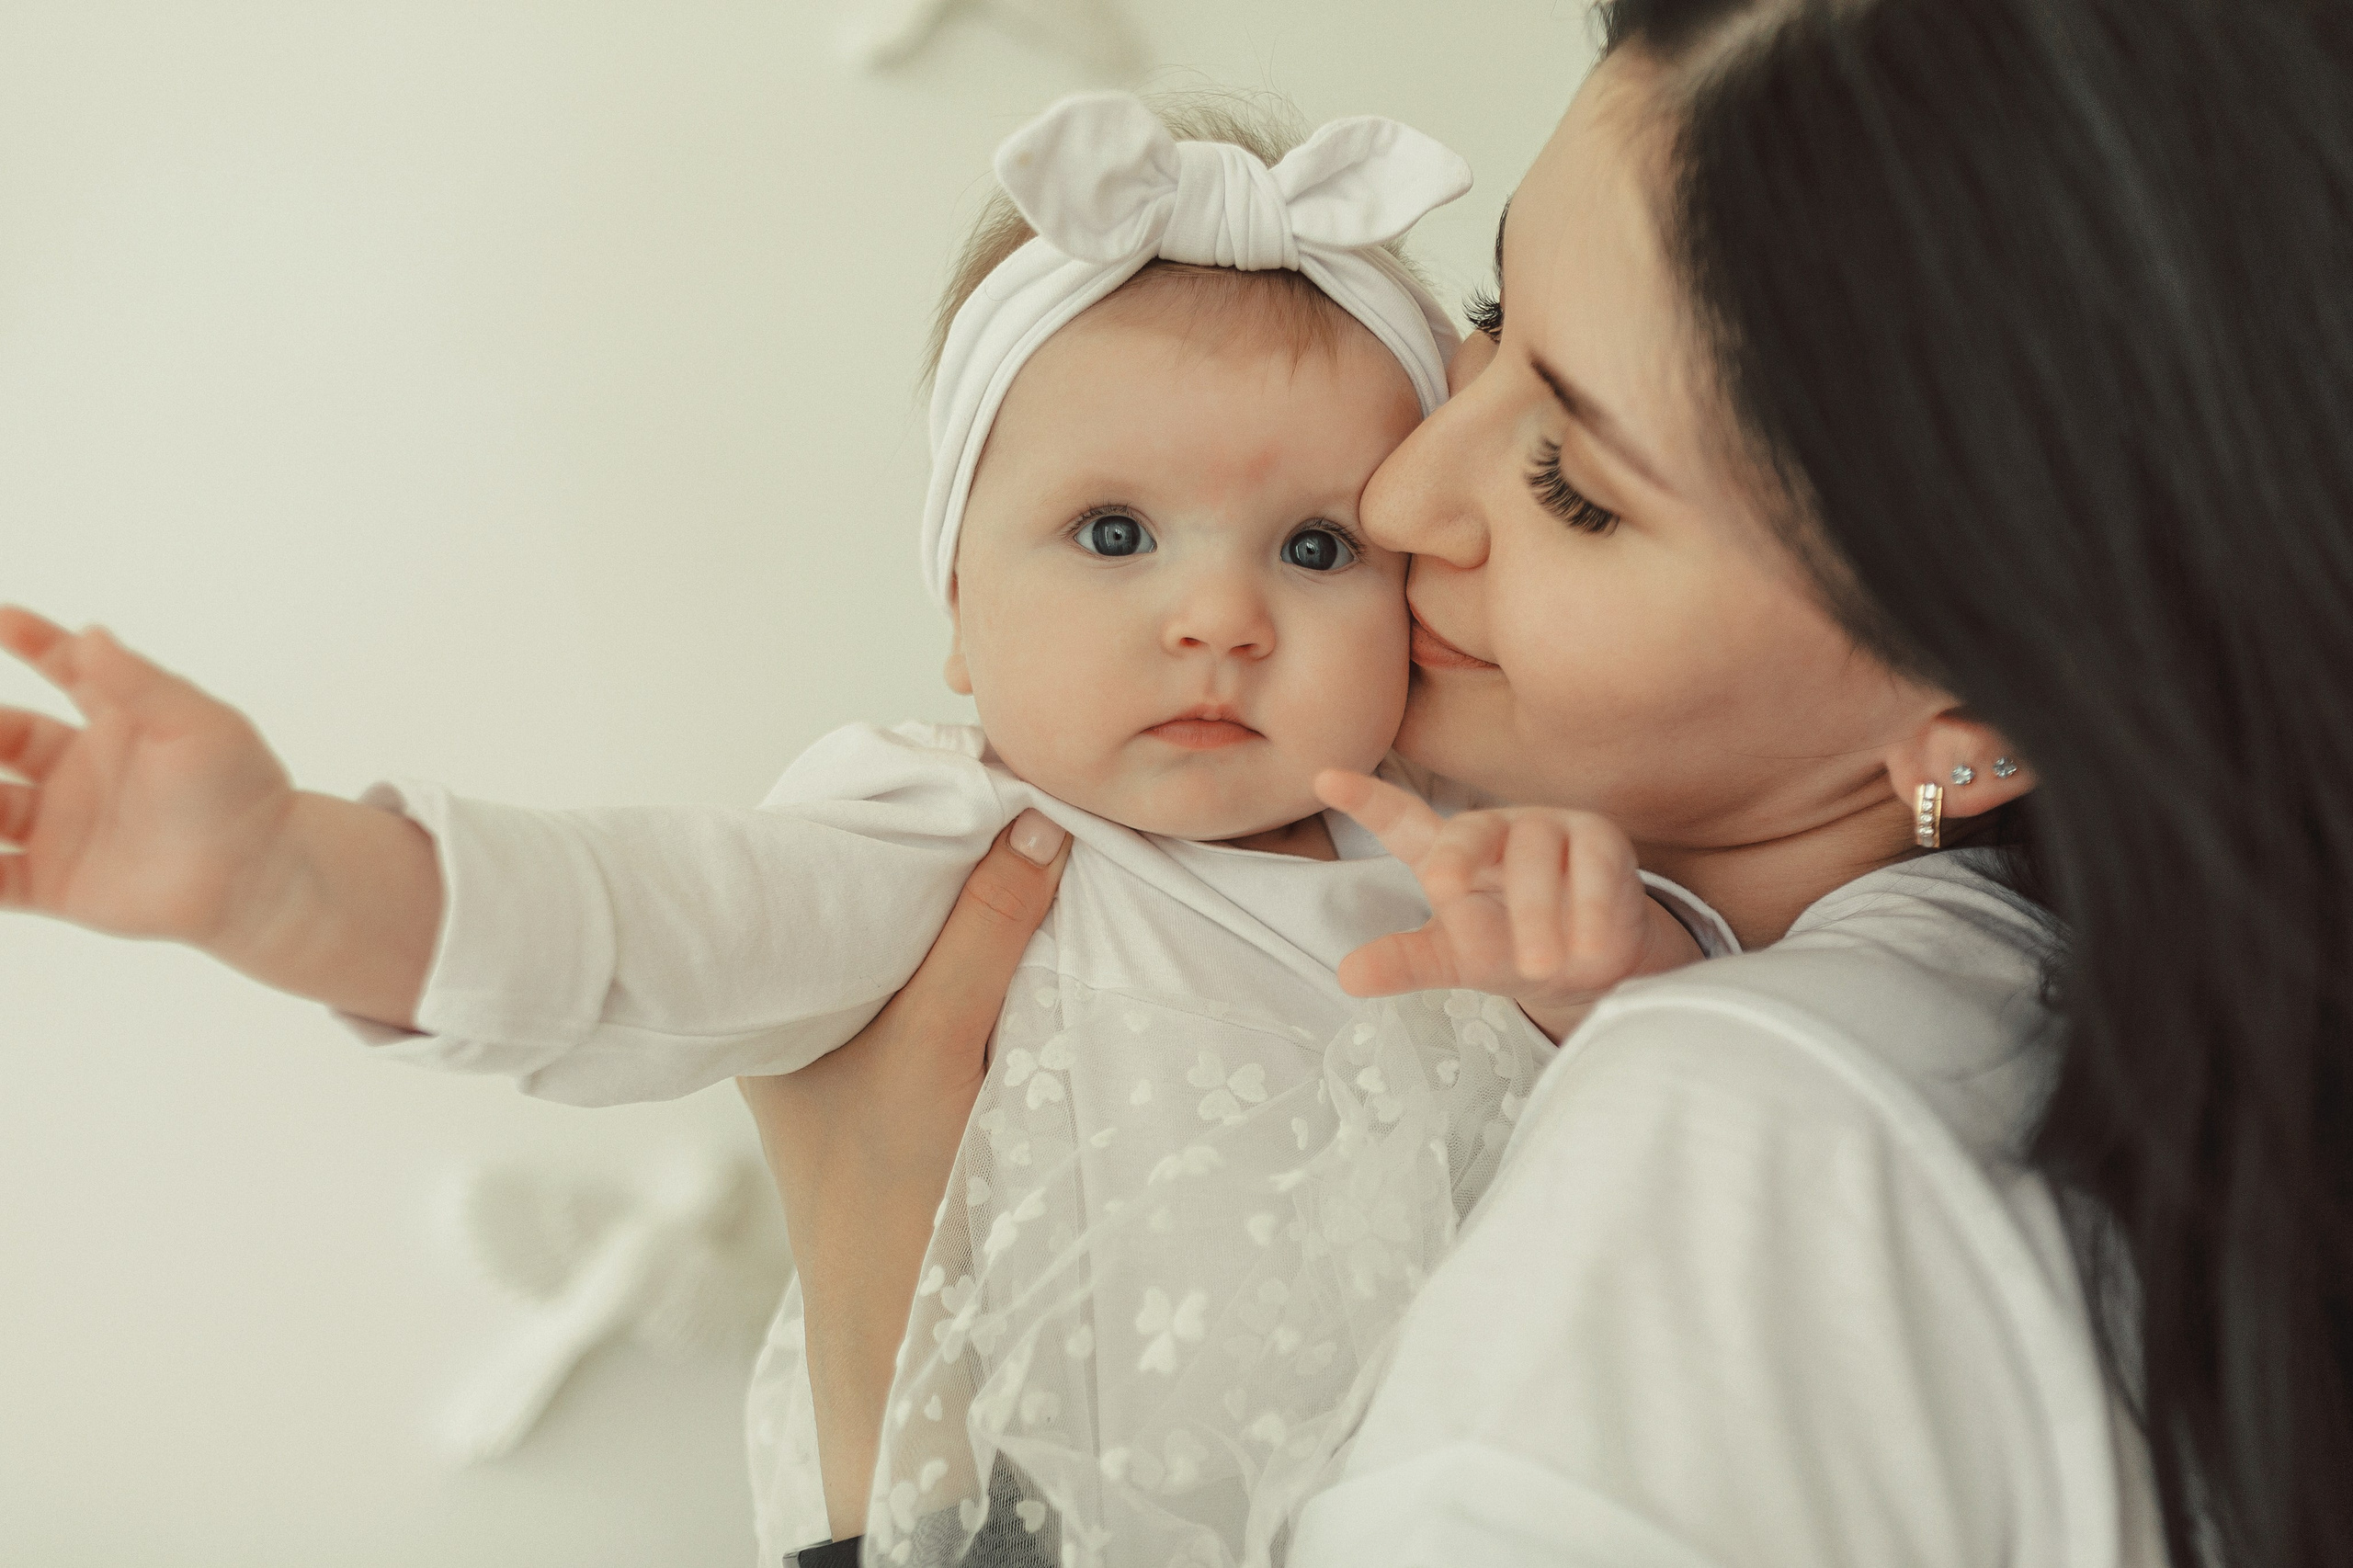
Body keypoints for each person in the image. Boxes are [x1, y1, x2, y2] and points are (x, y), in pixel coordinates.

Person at [0, 92, 1723, 1568]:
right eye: (1116, 532)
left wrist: (1612, 962)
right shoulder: (937, 835)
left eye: (1315, 547)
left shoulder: (1456, 843)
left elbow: (1686, 1113)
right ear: (960, 613)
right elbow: (644, 924)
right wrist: (283, 878)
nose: (1219, 614)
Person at [756, 1, 2353, 1564]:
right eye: (1489, 318)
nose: (1397, 486)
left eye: (1575, 487)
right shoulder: (2035, 995)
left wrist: (889, 1369)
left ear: (1985, 717)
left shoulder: (1721, 1177)